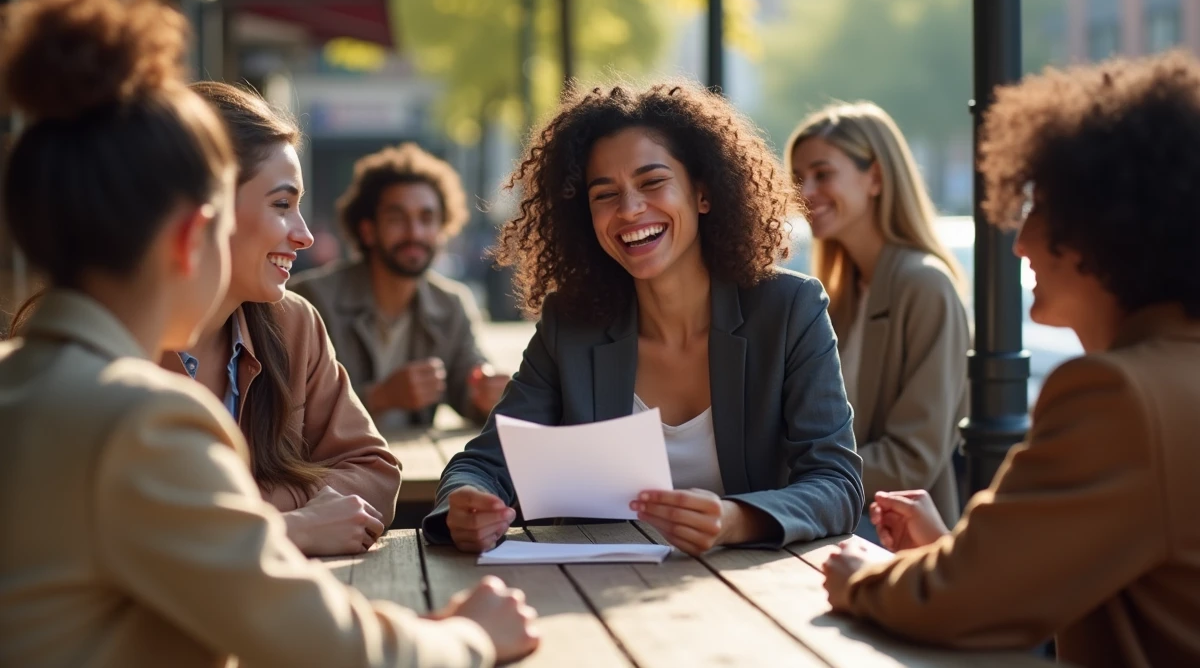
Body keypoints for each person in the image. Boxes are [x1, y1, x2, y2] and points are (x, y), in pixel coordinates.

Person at [0, 0, 538, 667]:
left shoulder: (27, 384)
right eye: (276, 206)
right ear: (195, 236)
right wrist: (471, 635)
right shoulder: (139, 422)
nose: (305, 236)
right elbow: (334, 648)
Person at [822, 54, 1200, 667]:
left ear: (1107, 226)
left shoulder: (1120, 396)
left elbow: (957, 600)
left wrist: (859, 577)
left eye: (1040, 209)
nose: (1019, 240)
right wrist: (950, 550)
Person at [423, 81, 864, 556]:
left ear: (703, 193)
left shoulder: (789, 310)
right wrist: (465, 507)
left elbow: (836, 483)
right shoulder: (570, 325)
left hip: (756, 594)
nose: (630, 210)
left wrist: (736, 519)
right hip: (598, 593)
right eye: (604, 195)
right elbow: (484, 463)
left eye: (653, 183)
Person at [158, 81, 400, 557]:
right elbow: (131, 537)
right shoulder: (109, 344)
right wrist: (288, 526)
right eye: (282, 205)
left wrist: (262, 512)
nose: (305, 235)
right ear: (208, 211)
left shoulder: (293, 324)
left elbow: (374, 473)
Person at [787, 103, 969, 537]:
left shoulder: (926, 286)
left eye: (822, 173)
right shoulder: (833, 297)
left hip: (893, 534)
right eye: (797, 178)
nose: (805, 191)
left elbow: (914, 457)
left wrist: (803, 483)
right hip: (839, 518)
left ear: (876, 178)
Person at [292, 144, 509, 428]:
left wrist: (487, 396)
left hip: (418, 464)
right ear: (367, 230)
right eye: (397, 218)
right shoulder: (309, 301)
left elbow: (466, 385)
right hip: (331, 467)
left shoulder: (451, 304)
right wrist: (380, 397)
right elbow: (290, 410)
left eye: (427, 218)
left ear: (442, 229)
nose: (414, 232)